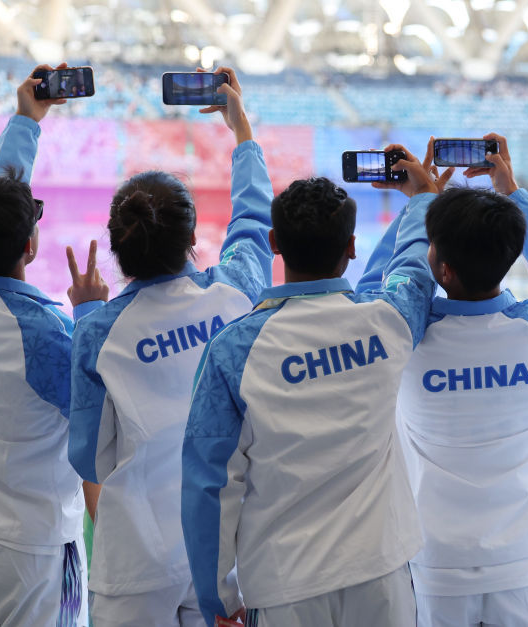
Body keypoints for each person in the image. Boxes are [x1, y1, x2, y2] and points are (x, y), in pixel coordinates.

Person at [180, 147, 443, 627]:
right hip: (381, 576)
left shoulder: (233, 350)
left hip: (286, 587)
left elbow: (210, 484)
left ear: (274, 242)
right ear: (352, 248)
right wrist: (423, 197)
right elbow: (413, 270)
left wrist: (219, 596)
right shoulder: (388, 321)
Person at [66, 67, 273, 627]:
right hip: (224, 552)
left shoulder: (99, 332)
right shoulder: (233, 294)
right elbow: (253, 225)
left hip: (136, 559)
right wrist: (242, 132)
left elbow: (89, 458)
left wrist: (87, 313)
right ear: (192, 238)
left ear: (116, 249)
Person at [359, 135, 528, 627]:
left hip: (434, 563)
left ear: (441, 267)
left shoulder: (401, 338)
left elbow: (379, 287)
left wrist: (419, 205)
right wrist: (511, 193)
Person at [0, 64, 97, 627]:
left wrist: (26, 121)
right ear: (31, 246)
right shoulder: (45, 335)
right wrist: (89, 312)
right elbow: (104, 411)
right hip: (34, 554)